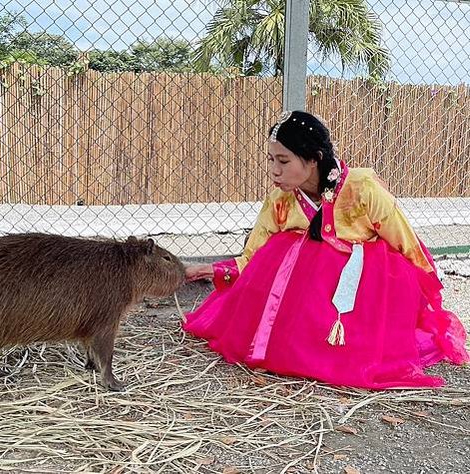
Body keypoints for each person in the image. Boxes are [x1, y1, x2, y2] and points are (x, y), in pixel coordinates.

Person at [184, 110, 468, 389]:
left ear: (313, 159)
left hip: (362, 295)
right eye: (270, 159)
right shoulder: (280, 200)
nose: (274, 170)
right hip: (305, 300)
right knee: (285, 247)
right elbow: (254, 255)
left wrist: (427, 296)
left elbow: (405, 243)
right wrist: (215, 269)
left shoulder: (363, 189)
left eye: (283, 160)